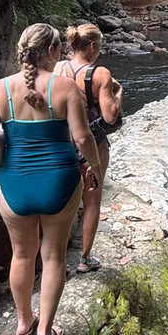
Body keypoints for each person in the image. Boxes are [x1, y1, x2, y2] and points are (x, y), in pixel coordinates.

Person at [0, 23, 102, 335]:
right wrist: (94, 167)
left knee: (21, 254)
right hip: (60, 181)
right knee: (53, 256)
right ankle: (45, 333)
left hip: (15, 184)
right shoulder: (65, 87)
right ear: (52, 51)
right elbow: (83, 137)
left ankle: (24, 322)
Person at [56, 23, 123, 273]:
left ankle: (57, 260)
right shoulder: (100, 74)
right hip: (92, 144)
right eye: (100, 46)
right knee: (92, 201)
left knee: (62, 202)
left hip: (62, 142)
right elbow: (110, 117)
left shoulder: (57, 68)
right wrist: (118, 94)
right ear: (93, 46)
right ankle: (85, 259)